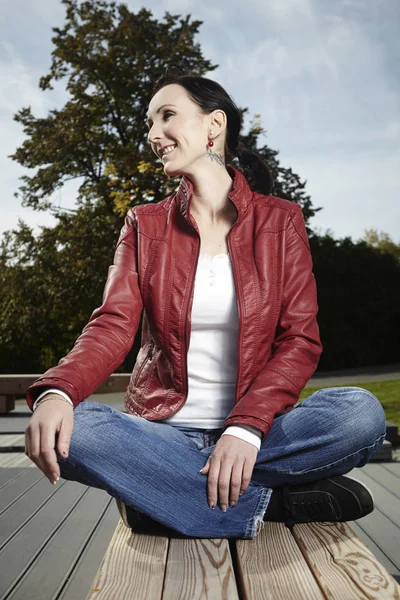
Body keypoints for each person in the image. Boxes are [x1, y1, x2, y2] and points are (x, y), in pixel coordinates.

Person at [24, 70, 386, 540]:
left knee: (361, 414)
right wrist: (59, 391)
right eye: (149, 124)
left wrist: (246, 428)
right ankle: (270, 502)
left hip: (260, 431)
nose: (154, 135)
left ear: (214, 125)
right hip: (164, 432)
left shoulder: (281, 222)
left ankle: (162, 495)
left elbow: (299, 340)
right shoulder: (143, 224)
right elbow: (113, 324)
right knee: (79, 428)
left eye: (167, 116)